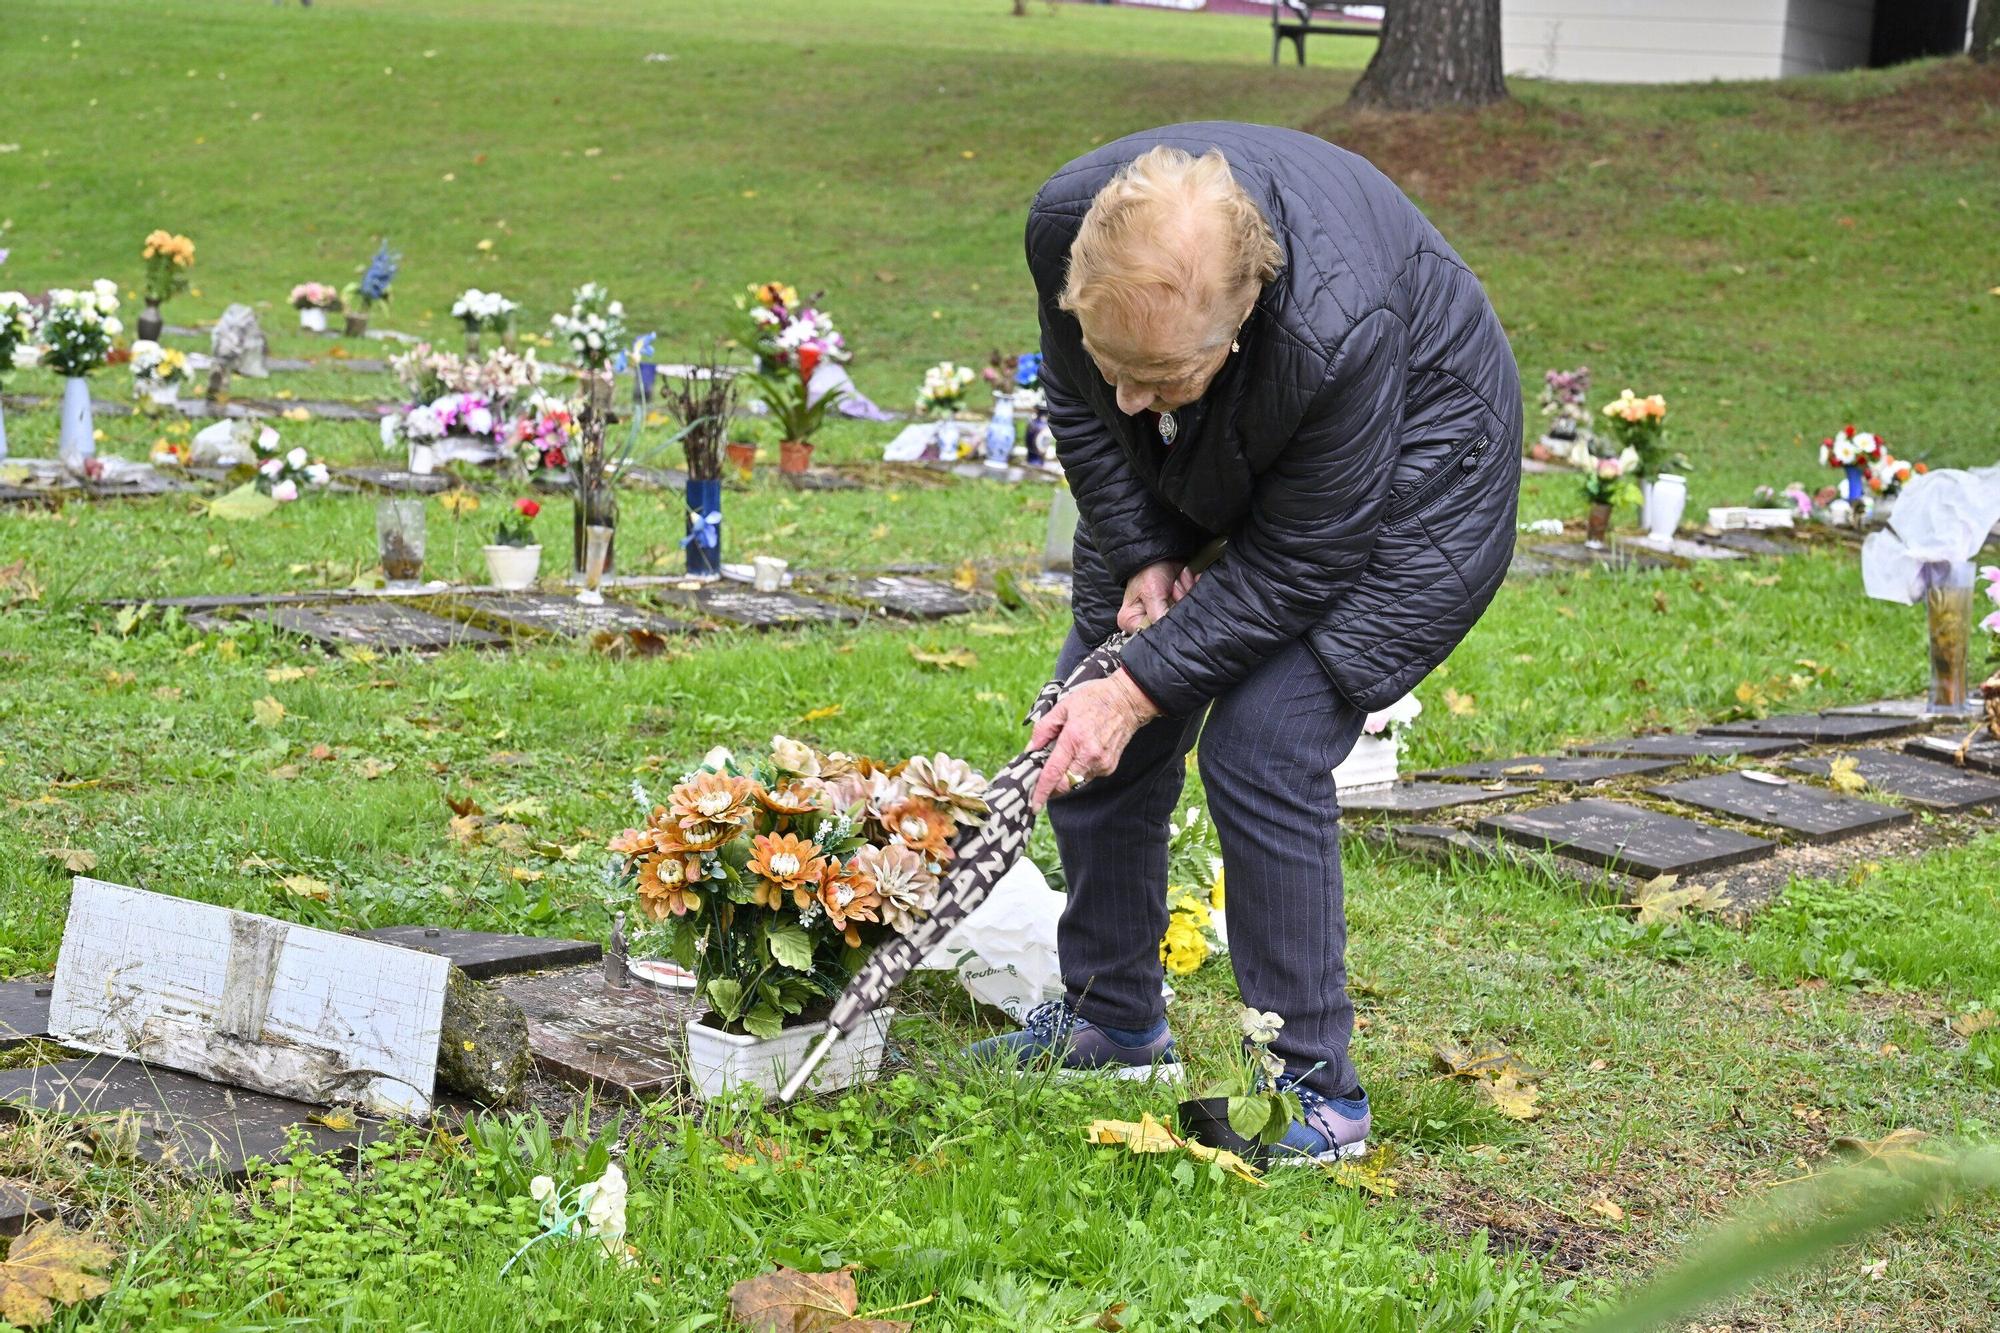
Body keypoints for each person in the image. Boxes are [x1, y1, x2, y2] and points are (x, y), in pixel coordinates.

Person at [969, 123, 1521, 1163]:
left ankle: (1316, 1098)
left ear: (1242, 318)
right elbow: (1091, 410)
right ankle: (1113, 1022)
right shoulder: (1067, 230)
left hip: (1418, 476)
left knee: (1259, 739)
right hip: (1213, 451)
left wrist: (1138, 689)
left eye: (1160, 376)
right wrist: (1141, 555)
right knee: (1083, 712)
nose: (1130, 396)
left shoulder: (1330, 329)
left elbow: (1303, 557)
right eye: (1113, 361)